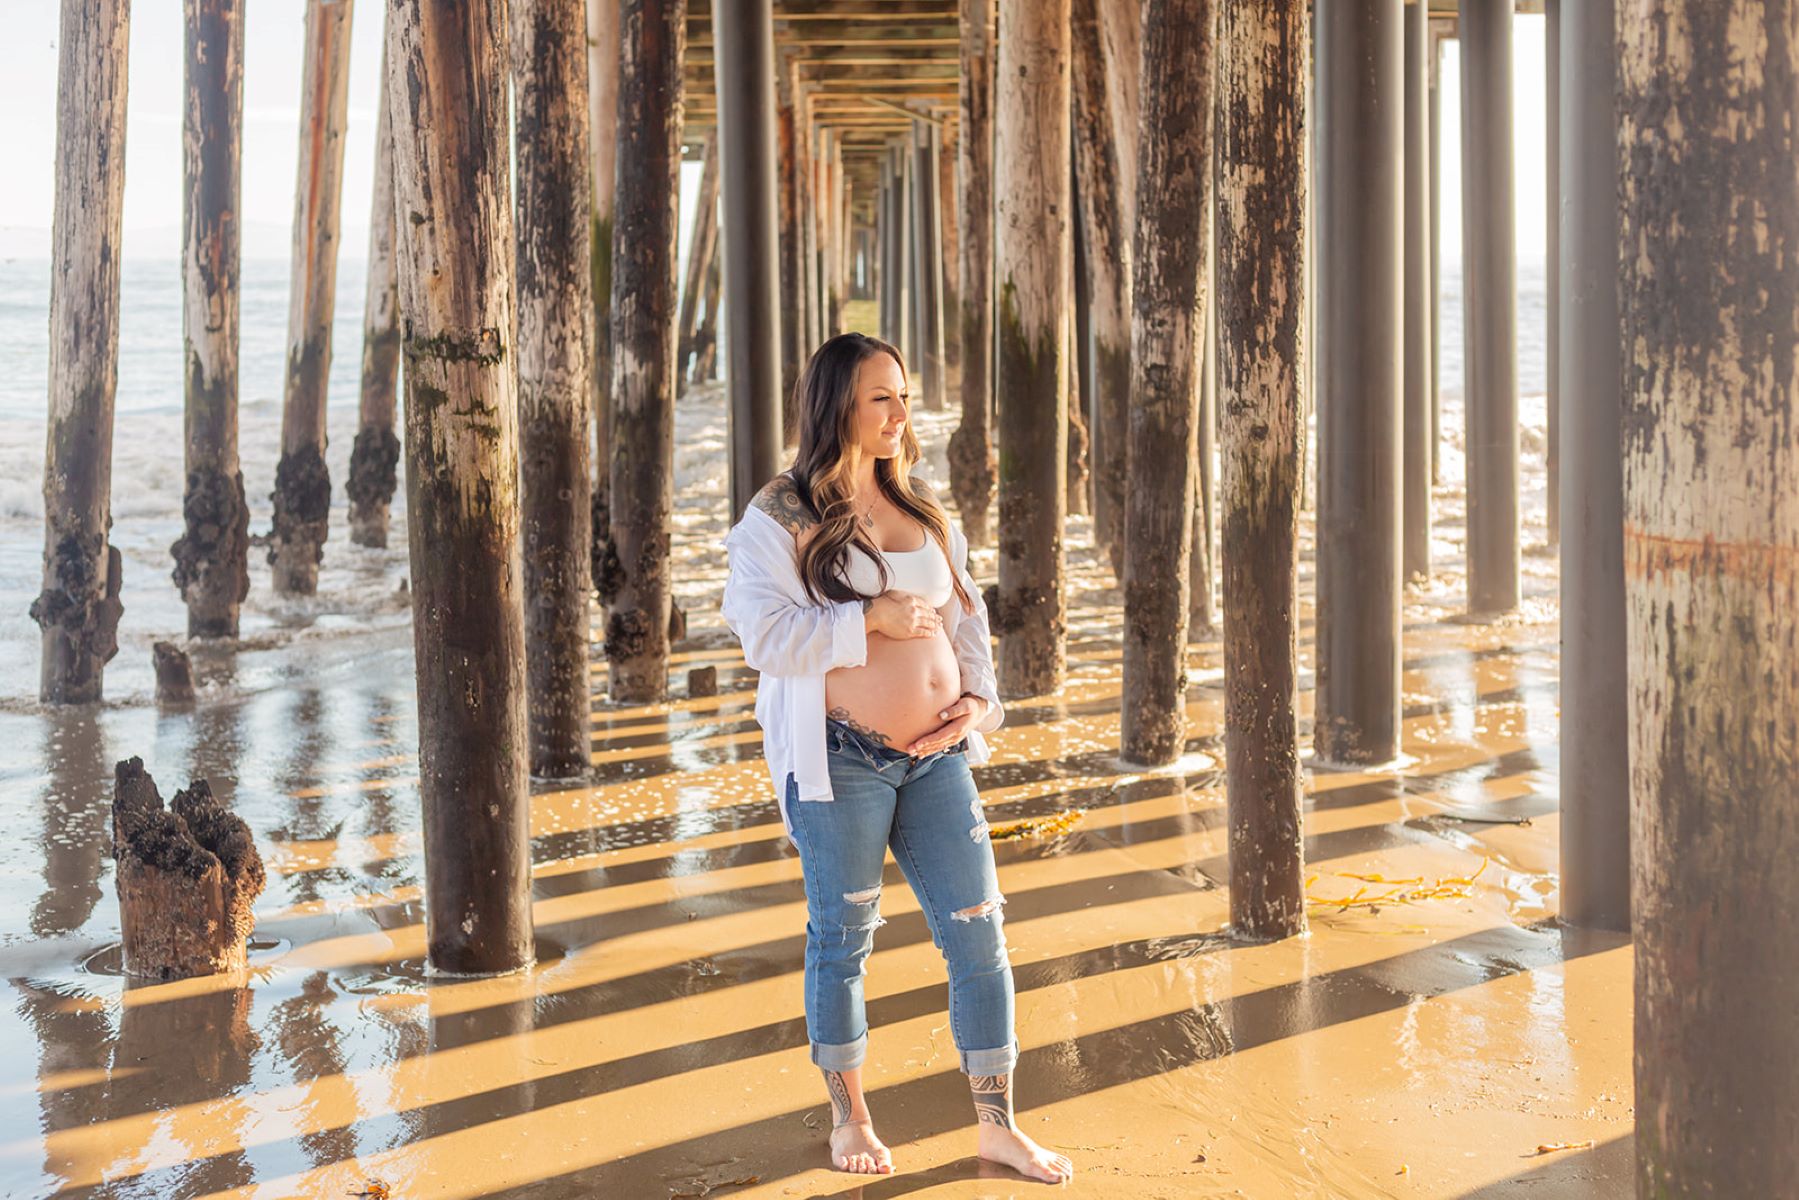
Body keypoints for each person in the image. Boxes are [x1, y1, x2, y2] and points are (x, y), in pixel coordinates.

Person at [720, 333, 1074, 1183]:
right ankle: (850, 1120)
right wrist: (865, 624)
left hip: (937, 759)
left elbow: (968, 621)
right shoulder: (781, 513)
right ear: (837, 402)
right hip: (839, 759)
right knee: (842, 940)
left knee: (979, 933)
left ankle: (996, 1125)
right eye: (881, 397)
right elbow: (759, 635)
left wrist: (977, 706)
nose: (899, 414)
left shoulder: (921, 506)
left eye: (903, 396)